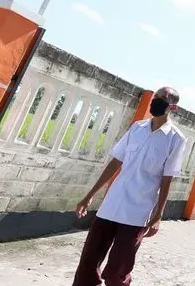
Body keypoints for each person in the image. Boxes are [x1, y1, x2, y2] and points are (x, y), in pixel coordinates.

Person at [72, 87, 188, 286]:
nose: (156, 101)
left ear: (173, 107)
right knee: (88, 264)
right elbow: (116, 162)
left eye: (162, 98)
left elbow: (167, 179)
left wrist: (158, 215)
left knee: (118, 270)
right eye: (155, 97)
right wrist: (89, 195)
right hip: (111, 205)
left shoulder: (176, 139)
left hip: (137, 211)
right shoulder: (137, 128)